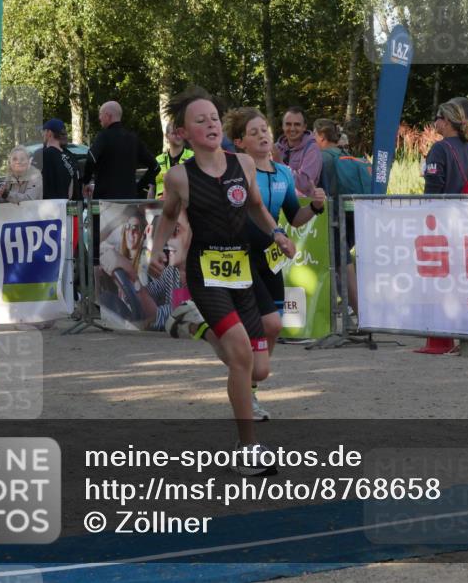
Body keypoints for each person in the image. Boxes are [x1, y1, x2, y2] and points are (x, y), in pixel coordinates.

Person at [147, 88, 295, 475]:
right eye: (201, 120)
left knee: (257, 370)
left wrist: (278, 233)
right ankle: (247, 451)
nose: (211, 124)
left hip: (242, 273)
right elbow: (167, 216)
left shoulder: (243, 164)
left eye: (214, 117)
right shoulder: (179, 176)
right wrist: (155, 253)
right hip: (205, 276)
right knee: (241, 356)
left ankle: (195, 325)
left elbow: (257, 209)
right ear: (182, 133)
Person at [226, 107, 327, 421]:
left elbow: (295, 217)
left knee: (273, 326)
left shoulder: (284, 173)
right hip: (241, 257)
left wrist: (316, 207)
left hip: (270, 260)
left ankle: (251, 385)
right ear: (240, 142)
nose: (262, 136)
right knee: (262, 325)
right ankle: (249, 391)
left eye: (264, 130)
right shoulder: (237, 172)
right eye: (253, 133)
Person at [314, 118, 359, 318]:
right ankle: (353, 310)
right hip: (352, 213)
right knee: (343, 263)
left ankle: (360, 313)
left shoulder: (322, 157)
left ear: (321, 136)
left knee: (343, 264)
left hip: (332, 216)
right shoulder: (345, 154)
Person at [82, 101, 159, 200]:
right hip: (129, 201)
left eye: (100, 114)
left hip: (105, 201)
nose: (99, 118)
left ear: (108, 116)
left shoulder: (104, 136)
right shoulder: (133, 139)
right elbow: (156, 167)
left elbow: (91, 159)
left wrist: (86, 182)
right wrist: (137, 188)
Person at [423, 100, 468, 195]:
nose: (435, 122)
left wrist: (427, 206)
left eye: (437, 118)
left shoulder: (439, 148)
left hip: (443, 208)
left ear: (446, 121)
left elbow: (433, 185)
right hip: (466, 207)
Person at [274, 106, 322, 196]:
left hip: (303, 206)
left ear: (304, 127)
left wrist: (279, 163)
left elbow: (305, 184)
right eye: (288, 124)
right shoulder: (276, 148)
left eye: (297, 124)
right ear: (283, 126)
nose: (292, 129)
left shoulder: (312, 149)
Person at [154, 122, 194, 199]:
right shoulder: (158, 160)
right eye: (174, 133)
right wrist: (150, 209)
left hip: (185, 206)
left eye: (180, 133)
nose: (178, 136)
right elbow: (152, 188)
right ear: (166, 136)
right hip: (160, 206)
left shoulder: (193, 157)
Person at [39, 119, 75, 200]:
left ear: (49, 133)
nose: (42, 135)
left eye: (43, 131)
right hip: (66, 205)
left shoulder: (44, 154)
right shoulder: (70, 157)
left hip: (49, 206)